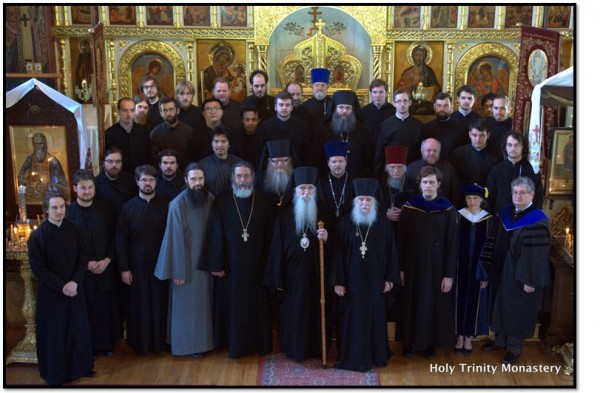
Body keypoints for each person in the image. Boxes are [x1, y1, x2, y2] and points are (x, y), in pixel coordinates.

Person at [201, 161, 275, 358]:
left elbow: (271, 236)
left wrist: (270, 265)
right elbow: (215, 233)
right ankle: (231, 344)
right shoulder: (222, 200)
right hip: (230, 268)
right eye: (239, 176)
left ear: (253, 178)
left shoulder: (264, 201)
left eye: (246, 176)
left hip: (257, 267)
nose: (242, 181)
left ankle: (260, 344)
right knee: (232, 307)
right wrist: (217, 264)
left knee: (257, 306)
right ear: (232, 178)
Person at [332, 178, 399, 372]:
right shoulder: (344, 223)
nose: (364, 203)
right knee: (353, 320)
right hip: (351, 285)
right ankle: (352, 356)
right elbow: (336, 254)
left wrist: (390, 279)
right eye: (361, 199)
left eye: (368, 200)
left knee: (375, 318)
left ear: (374, 202)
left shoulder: (383, 223)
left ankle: (376, 355)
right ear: (354, 201)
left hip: (375, 283)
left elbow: (391, 252)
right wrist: (338, 282)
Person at [28, 192, 95, 385]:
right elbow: (38, 268)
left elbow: (84, 257)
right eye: (54, 208)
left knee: (78, 328)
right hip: (51, 293)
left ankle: (82, 367)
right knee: (55, 333)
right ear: (46, 210)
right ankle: (56, 372)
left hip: (75, 289)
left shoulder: (76, 229)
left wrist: (74, 282)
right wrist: (61, 286)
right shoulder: (37, 236)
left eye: (62, 207)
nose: (59, 211)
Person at [482, 176, 550, 365]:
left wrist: (530, 280)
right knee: (501, 304)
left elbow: (536, 256)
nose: (518, 196)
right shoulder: (505, 213)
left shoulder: (537, 221)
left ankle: (514, 348)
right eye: (515, 192)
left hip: (521, 273)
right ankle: (500, 340)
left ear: (532, 194)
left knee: (517, 309)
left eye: (523, 193)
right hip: (501, 268)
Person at [263, 166, 329, 361]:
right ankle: (295, 349)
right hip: (292, 278)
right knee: (294, 314)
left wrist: (327, 237)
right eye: (302, 188)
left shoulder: (324, 214)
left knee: (315, 312)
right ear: (295, 190)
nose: (306, 192)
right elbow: (276, 248)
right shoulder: (284, 215)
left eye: (310, 188)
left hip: (317, 276)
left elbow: (338, 248)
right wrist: (278, 279)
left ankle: (317, 349)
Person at [396, 165, 458, 359]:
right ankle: (409, 343)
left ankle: (428, 344)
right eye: (425, 182)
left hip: (436, 267)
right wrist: (401, 269)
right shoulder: (409, 207)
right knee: (411, 304)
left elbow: (452, 244)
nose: (428, 185)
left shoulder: (447, 209)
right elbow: (401, 241)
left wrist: (449, 274)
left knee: (431, 305)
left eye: (432, 182)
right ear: (420, 184)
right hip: (412, 265)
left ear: (438, 184)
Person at [154, 163, 214, 358]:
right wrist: (178, 272)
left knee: (204, 307)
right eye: (194, 179)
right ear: (186, 181)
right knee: (185, 309)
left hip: (206, 264)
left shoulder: (210, 199)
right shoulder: (177, 204)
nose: (198, 183)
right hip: (186, 267)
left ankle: (205, 344)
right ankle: (187, 347)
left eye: (200, 179)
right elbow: (174, 240)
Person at [115, 165, 169, 356]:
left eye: (151, 180)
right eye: (144, 180)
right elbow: (121, 240)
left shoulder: (166, 205)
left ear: (157, 182)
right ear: (138, 182)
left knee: (160, 302)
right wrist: (124, 268)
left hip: (160, 261)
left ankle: (160, 343)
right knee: (139, 304)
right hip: (136, 263)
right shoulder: (127, 208)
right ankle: (141, 344)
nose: (148, 183)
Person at [67, 170, 122, 358]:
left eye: (90, 187)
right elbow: (67, 244)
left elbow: (115, 236)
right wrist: (86, 263)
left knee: (105, 307)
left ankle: (106, 344)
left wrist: (107, 260)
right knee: (86, 308)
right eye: (83, 188)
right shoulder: (68, 213)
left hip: (105, 266)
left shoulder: (105, 208)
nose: (87, 191)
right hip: (80, 271)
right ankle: (88, 346)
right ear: (75, 188)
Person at [454, 184, 496, 354]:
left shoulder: (489, 220)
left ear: (481, 200)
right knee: (459, 300)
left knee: (474, 300)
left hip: (478, 270)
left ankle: (469, 336)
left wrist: (485, 273)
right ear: (465, 199)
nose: (472, 201)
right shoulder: (457, 217)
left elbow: (490, 248)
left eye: (476, 198)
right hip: (459, 268)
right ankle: (459, 336)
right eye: (469, 198)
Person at [312, 90, 371, 178]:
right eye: (341, 107)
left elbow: (368, 158)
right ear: (335, 108)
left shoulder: (362, 130)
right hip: (329, 179)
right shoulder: (324, 130)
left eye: (348, 108)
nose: (344, 111)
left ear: (353, 109)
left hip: (356, 177)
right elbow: (317, 158)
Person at [486, 131, 543, 214]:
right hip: (501, 219)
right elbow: (490, 198)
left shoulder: (532, 170)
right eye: (509, 145)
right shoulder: (495, 170)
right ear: (505, 147)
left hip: (525, 220)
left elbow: (538, 198)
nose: (512, 148)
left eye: (516, 145)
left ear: (523, 147)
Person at [375, 89, 423, 176]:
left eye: (405, 101)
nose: (402, 104)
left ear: (410, 103)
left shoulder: (418, 125)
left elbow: (420, 152)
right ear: (394, 103)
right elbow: (380, 152)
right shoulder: (385, 125)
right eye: (399, 101)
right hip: (390, 171)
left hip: (411, 170)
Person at [257, 91, 310, 166]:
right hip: (272, 169)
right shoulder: (265, 126)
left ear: (291, 107)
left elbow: (305, 152)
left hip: (295, 168)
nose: (284, 108)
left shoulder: (301, 126)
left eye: (287, 105)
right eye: (281, 105)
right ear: (275, 107)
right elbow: (262, 153)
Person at [406, 138, 461, 207]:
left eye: (435, 151)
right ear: (422, 151)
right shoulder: (411, 168)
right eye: (428, 150)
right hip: (417, 211)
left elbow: (455, 194)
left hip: (443, 211)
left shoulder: (449, 168)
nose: (432, 153)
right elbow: (408, 195)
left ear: (439, 152)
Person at [450, 117, 502, 191]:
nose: (478, 139)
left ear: (488, 135)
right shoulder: (457, 154)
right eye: (474, 135)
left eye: (482, 135)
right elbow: (454, 182)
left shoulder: (496, 155)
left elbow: (497, 182)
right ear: (469, 134)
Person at [17, 132, 68, 204]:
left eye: (41, 143)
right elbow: (20, 179)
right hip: (32, 198)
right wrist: (28, 183)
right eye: (36, 144)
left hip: (50, 198)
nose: (38, 147)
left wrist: (48, 186)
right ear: (33, 145)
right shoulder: (30, 159)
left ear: (45, 144)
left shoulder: (53, 162)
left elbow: (63, 186)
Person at [104, 97, 152, 173]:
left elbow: (149, 156)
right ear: (118, 111)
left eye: (132, 110)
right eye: (125, 110)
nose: (129, 114)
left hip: (140, 176)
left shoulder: (144, 132)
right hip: (120, 177)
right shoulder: (109, 134)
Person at [317, 141, 354, 237]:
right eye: (334, 161)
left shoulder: (354, 183)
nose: (337, 164)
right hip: (327, 230)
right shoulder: (320, 183)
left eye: (341, 161)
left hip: (349, 231)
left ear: (346, 162)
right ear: (328, 163)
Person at [149, 96, 194, 169]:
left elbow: (192, 156)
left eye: (171, 109)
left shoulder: (189, 131)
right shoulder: (155, 134)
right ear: (161, 113)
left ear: (177, 110)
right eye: (165, 110)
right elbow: (155, 160)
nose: (168, 113)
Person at [421, 92, 468, 161]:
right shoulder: (426, 127)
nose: (442, 109)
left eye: (445, 106)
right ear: (434, 107)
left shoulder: (460, 128)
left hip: (453, 168)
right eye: (439, 105)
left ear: (451, 107)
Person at [396, 45, 441, 115]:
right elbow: (399, 88)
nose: (418, 58)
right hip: (410, 103)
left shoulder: (429, 72)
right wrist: (410, 87)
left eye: (420, 55)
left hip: (426, 103)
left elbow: (436, 87)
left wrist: (432, 89)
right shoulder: (407, 72)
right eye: (416, 55)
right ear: (413, 57)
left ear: (424, 56)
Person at [198, 127, 241, 197]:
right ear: (211, 143)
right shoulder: (202, 164)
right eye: (216, 141)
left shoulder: (239, 164)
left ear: (229, 144)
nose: (220, 145)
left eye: (223, 141)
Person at [94, 147, 137, 218]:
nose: (114, 165)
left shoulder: (131, 180)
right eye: (110, 161)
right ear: (103, 164)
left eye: (118, 161)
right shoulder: (96, 183)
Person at [381, 145, 414, 233]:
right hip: (386, 229)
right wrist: (386, 215)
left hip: (406, 229)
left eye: (399, 167)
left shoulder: (412, 184)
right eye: (392, 167)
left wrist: (405, 213)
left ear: (405, 168)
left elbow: (417, 209)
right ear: (387, 168)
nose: (396, 171)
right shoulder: (380, 185)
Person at [255, 139, 296, 208]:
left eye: (284, 160)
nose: (280, 164)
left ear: (290, 160)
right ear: (269, 161)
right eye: (276, 161)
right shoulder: (261, 179)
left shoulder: (296, 178)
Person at [361, 79, 396, 145]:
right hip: (369, 150)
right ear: (371, 93)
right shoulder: (363, 112)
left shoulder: (394, 111)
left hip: (387, 148)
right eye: (375, 92)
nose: (378, 95)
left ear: (386, 93)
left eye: (381, 92)